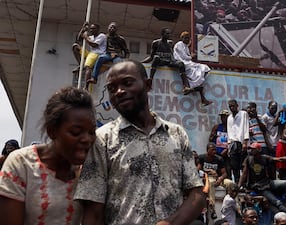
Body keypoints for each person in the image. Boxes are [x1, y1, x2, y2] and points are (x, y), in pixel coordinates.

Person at [74, 60, 205, 225]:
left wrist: (171, 223)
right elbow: (93, 211)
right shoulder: (102, 139)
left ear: (148, 85)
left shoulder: (176, 133)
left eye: (127, 83)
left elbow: (197, 194)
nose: (119, 92)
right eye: (112, 89)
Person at [0, 86, 96, 225]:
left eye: (91, 132)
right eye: (76, 132)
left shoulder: (88, 171)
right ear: (52, 131)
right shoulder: (21, 164)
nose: (87, 139)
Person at [238, 142, 286, 223]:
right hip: (258, 186)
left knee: (285, 183)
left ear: (258, 150)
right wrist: (239, 186)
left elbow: (279, 159)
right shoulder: (248, 159)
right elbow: (244, 173)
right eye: (251, 149)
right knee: (278, 203)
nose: (251, 151)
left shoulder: (264, 158)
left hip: (267, 182)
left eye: (253, 149)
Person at [141, 28, 192, 94]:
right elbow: (151, 57)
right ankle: (150, 79)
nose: (169, 35)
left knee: (181, 63)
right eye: (167, 33)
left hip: (169, 61)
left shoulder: (170, 43)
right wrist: (141, 62)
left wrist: (177, 61)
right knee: (156, 57)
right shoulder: (156, 43)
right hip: (161, 61)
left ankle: (185, 86)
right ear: (162, 34)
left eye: (169, 34)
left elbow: (172, 55)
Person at [173, 31, 212, 106]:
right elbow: (184, 57)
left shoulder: (186, 46)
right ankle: (193, 86)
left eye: (188, 38)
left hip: (187, 63)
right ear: (182, 38)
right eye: (186, 38)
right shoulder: (179, 44)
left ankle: (194, 86)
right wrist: (191, 56)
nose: (187, 39)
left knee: (204, 68)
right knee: (201, 68)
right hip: (182, 62)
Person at [198, 142, 234, 219]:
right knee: (211, 182)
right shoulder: (202, 157)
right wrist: (207, 172)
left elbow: (224, 174)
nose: (215, 152)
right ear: (208, 150)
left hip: (218, 178)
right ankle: (212, 208)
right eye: (212, 150)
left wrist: (220, 179)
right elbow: (198, 170)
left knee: (231, 184)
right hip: (207, 178)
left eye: (215, 150)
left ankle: (234, 204)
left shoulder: (219, 159)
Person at [227, 99, 249, 183]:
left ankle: (243, 183)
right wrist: (229, 145)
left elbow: (246, 127)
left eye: (233, 106)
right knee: (234, 165)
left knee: (243, 164)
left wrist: (245, 141)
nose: (232, 108)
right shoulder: (229, 118)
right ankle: (236, 183)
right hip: (233, 143)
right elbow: (229, 132)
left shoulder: (243, 114)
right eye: (230, 106)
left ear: (237, 106)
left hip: (241, 141)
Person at [209, 109, 230, 178]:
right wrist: (214, 136)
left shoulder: (231, 128)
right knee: (217, 170)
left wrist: (227, 150)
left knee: (227, 170)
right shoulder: (217, 127)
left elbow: (233, 140)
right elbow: (210, 140)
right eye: (221, 117)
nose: (222, 118)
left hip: (227, 154)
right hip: (217, 153)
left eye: (224, 117)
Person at [262, 101, 280, 179]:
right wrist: (268, 143)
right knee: (269, 164)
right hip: (269, 144)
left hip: (277, 143)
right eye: (272, 108)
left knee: (276, 164)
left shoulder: (277, 117)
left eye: (275, 108)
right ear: (268, 107)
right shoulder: (265, 117)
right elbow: (264, 131)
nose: (274, 110)